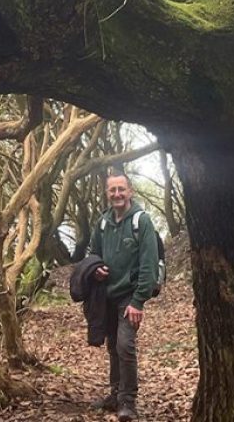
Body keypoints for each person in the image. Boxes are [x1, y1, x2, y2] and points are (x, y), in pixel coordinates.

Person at [88, 171, 159, 422]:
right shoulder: (103, 222)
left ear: (130, 192)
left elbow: (149, 265)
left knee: (124, 345)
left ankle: (128, 402)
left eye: (121, 189)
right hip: (107, 295)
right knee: (112, 347)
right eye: (112, 190)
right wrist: (95, 269)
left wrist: (139, 300)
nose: (117, 194)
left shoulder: (142, 221)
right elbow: (93, 254)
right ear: (107, 194)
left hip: (129, 296)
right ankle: (116, 393)